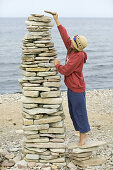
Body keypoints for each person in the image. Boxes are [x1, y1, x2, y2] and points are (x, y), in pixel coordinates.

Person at [52, 13, 90, 146]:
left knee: (79, 112)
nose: (70, 42)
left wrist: (57, 64)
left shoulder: (78, 55)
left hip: (77, 89)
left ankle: (83, 136)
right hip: (72, 87)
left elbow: (66, 70)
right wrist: (57, 20)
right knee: (74, 112)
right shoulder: (72, 49)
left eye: (73, 41)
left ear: (77, 45)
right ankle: (81, 132)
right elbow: (65, 37)